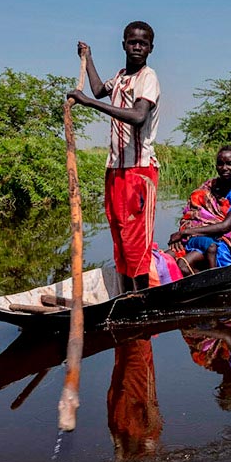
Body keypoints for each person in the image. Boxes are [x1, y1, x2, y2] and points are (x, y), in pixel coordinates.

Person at [67, 21, 160, 293]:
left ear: (151, 49)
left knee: (136, 240)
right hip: (116, 170)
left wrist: (89, 103)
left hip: (139, 172)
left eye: (143, 43)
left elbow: (138, 115)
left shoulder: (148, 77)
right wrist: (89, 59)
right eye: (132, 42)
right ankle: (124, 295)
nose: (137, 47)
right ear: (124, 44)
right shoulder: (120, 77)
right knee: (119, 235)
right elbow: (98, 90)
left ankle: (141, 299)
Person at [168, 146, 231, 275]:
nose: (224, 168)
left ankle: (209, 280)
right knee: (170, 254)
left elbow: (225, 226)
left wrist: (185, 233)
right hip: (209, 235)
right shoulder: (211, 187)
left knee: (186, 262)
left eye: (230, 164)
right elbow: (194, 214)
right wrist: (183, 233)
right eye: (220, 164)